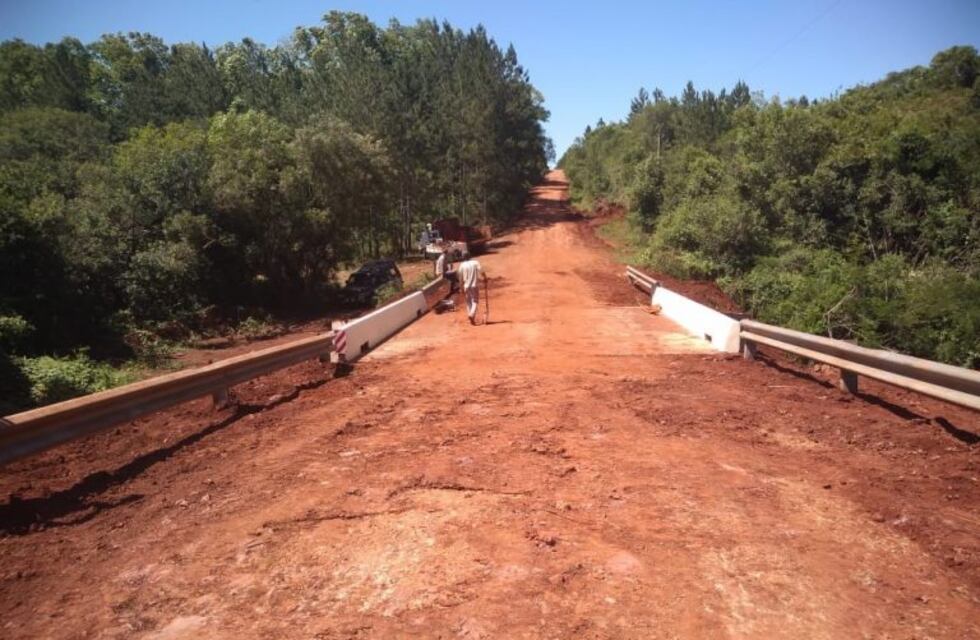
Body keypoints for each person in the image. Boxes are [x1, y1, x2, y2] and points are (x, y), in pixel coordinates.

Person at [457, 253, 485, 325]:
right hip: (474, 285)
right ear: (470, 256)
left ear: (463, 257)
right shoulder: (475, 262)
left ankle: (471, 316)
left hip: (466, 286)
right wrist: (485, 278)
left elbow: (460, 278)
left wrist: (461, 288)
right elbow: (481, 271)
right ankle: (471, 315)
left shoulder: (462, 265)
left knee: (468, 302)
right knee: (475, 301)